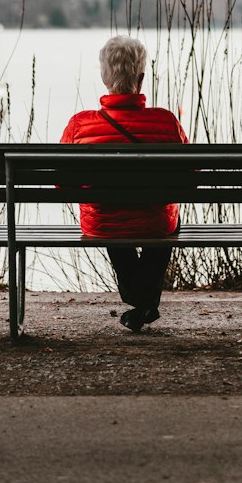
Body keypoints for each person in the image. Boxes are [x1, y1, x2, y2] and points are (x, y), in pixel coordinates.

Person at [60, 35, 188, 331]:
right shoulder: (166, 122)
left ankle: (138, 298)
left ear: (104, 77)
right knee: (168, 218)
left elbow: (62, 182)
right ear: (141, 79)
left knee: (110, 209)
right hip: (155, 224)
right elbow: (188, 179)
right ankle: (141, 301)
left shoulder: (80, 125)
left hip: (102, 223)